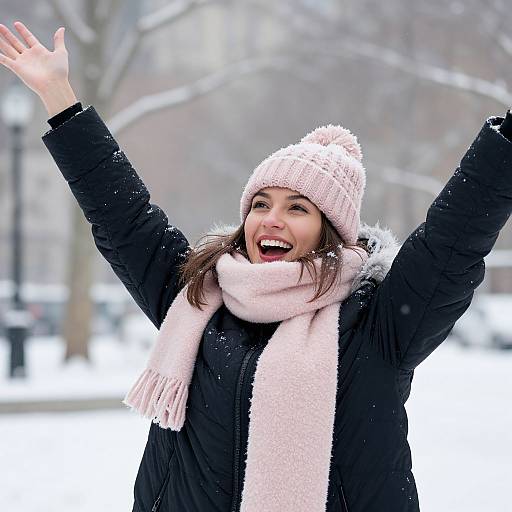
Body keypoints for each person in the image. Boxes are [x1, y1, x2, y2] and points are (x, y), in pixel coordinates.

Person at [1, 21, 511, 512]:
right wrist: (60, 100)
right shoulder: (199, 295)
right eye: (261, 203)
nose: (271, 219)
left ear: (329, 229)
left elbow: (454, 241)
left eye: (297, 208)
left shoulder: (378, 323)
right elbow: (123, 217)